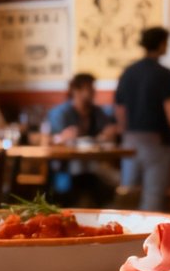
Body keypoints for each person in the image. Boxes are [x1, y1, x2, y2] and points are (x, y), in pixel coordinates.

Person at [115, 27, 170, 212]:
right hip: (158, 143)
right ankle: (147, 239)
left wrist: (126, 135)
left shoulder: (128, 72)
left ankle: (124, 237)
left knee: (128, 195)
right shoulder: (164, 74)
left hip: (130, 142)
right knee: (153, 197)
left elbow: (120, 109)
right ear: (161, 43)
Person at [46, 73, 119, 205]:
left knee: (114, 181)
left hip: (93, 165)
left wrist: (110, 132)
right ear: (76, 90)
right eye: (89, 89)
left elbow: (108, 130)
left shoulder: (96, 111)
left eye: (93, 88)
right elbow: (48, 139)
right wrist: (60, 138)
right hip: (65, 167)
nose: (93, 92)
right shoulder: (61, 112)